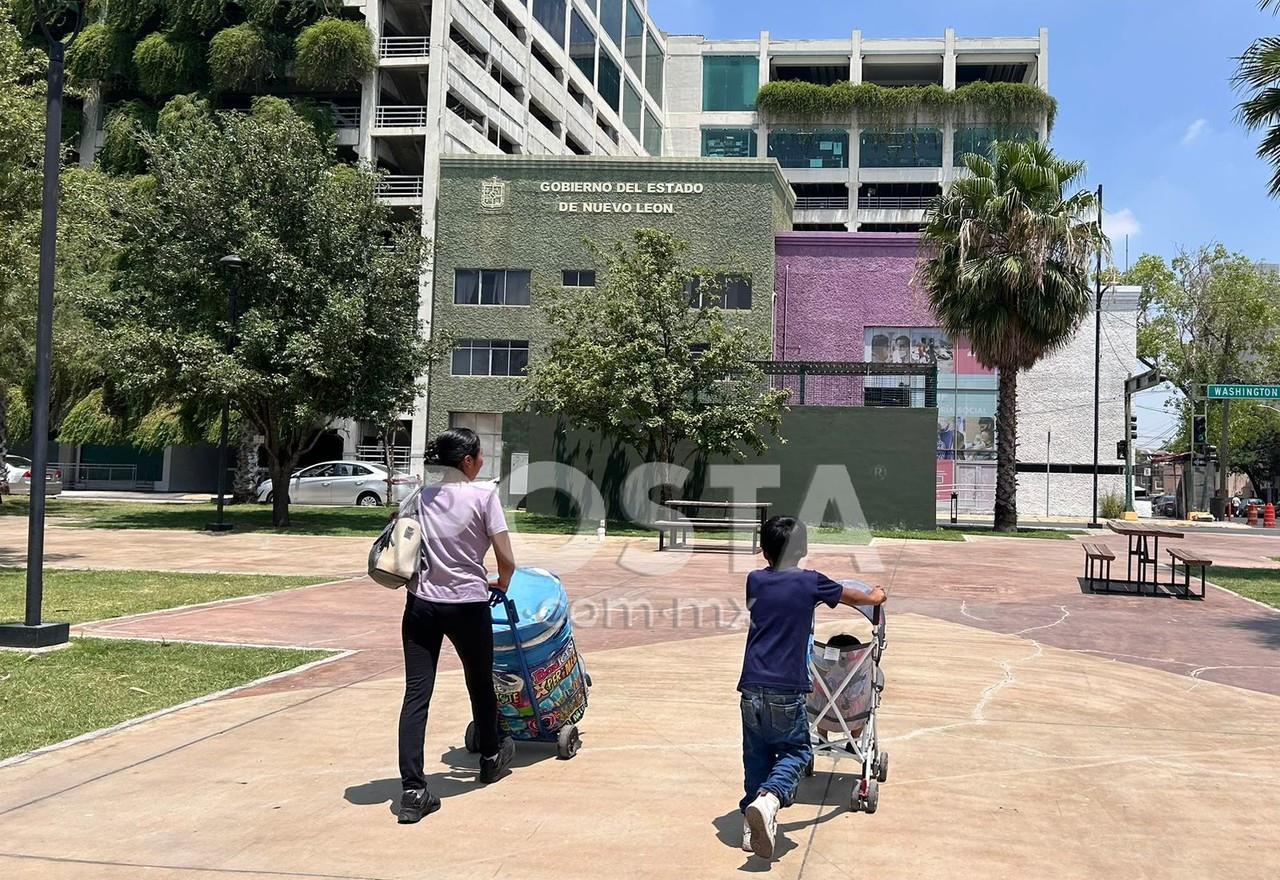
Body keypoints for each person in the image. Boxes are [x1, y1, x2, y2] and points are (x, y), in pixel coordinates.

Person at [737, 517, 887, 859]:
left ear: (764, 550)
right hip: (787, 689)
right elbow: (850, 596)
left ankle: (751, 827)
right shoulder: (810, 583)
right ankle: (770, 799)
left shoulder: (754, 581)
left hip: (750, 686)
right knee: (796, 753)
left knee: (756, 756)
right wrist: (875, 596)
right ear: (802, 551)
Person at [396, 428, 518, 824]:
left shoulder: (419, 497)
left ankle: (413, 790)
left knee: (417, 694)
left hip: (421, 605)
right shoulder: (484, 497)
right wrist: (501, 581)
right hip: (467, 603)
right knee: (479, 682)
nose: (482, 461)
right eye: (480, 455)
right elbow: (506, 558)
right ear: (467, 461)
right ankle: (490, 756)